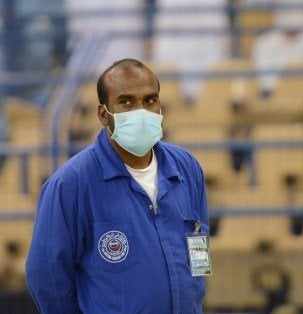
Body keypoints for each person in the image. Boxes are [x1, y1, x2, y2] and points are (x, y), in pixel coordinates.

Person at [26, 58, 211, 313]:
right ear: (103, 114)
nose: (141, 111)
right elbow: (46, 275)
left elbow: (199, 251)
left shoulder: (186, 168)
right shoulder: (70, 184)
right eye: (126, 102)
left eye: (149, 100)